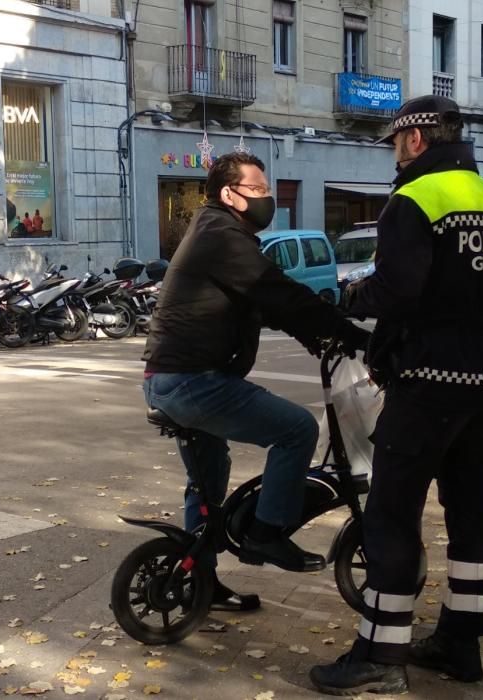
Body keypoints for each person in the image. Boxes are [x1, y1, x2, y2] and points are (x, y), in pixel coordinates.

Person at [309, 96, 483, 695]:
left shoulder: (412, 200)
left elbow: (398, 288)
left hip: (431, 379)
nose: (394, 153)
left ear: (414, 140)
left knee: (391, 512)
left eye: (394, 142)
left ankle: (381, 655)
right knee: (470, 509)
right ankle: (461, 642)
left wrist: (353, 300)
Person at [142, 152, 371, 612]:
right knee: (296, 430)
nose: (268, 199)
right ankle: (268, 533)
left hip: (173, 380)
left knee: (207, 486)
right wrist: (352, 334)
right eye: (259, 191)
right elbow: (278, 293)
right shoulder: (221, 235)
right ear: (230, 194)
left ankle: (196, 584)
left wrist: (318, 339)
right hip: (192, 382)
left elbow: (266, 305)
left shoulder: (221, 233)